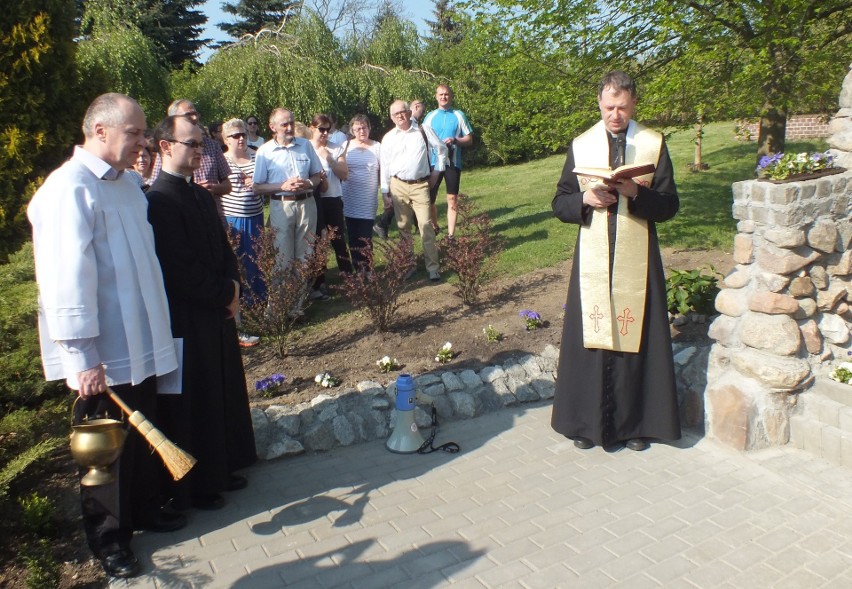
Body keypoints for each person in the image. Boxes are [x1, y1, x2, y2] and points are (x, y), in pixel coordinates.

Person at [27, 93, 183, 579]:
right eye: (134, 132)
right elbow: (64, 276)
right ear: (100, 131)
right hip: (102, 350)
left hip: (140, 340)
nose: (143, 142)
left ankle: (144, 509)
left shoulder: (128, 185)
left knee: (141, 434)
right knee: (106, 453)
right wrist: (80, 354)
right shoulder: (68, 189)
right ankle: (110, 541)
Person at [550, 70, 681, 452]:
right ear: (599, 104)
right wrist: (585, 201)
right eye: (609, 107)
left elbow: (670, 205)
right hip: (593, 254)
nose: (615, 115)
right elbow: (559, 202)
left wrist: (634, 194)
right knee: (591, 336)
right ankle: (586, 424)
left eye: (622, 108)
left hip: (636, 258)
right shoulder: (582, 144)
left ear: (634, 104)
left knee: (635, 338)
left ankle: (635, 425)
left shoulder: (653, 144)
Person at [146, 115, 257, 512]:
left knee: (220, 390)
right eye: (192, 144)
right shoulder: (158, 200)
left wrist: (233, 286)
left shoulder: (199, 194)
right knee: (196, 398)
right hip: (188, 317)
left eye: (201, 145)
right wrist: (222, 293)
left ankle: (223, 465)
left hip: (217, 309)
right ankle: (199, 484)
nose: (200, 152)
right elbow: (178, 267)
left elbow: (223, 248)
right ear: (165, 147)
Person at [380, 100, 447, 281]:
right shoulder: (389, 138)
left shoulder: (422, 130)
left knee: (426, 226)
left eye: (403, 112)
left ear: (409, 112)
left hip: (420, 186)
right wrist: (385, 191)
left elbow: (441, 149)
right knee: (403, 228)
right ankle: (408, 266)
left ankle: (433, 268)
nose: (400, 116)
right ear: (391, 117)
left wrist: (437, 172)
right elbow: (384, 166)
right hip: (398, 186)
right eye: (396, 114)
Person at [253, 108, 324, 277]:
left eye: (291, 123)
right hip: (282, 205)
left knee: (305, 257)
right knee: (282, 258)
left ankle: (298, 301)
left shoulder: (305, 145)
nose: (290, 128)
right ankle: (282, 301)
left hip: (307, 204)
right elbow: (257, 187)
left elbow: (317, 176)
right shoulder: (265, 151)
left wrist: (307, 183)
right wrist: (282, 186)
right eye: (284, 124)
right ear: (273, 127)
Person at [150, 99, 232, 218]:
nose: (194, 118)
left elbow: (228, 186)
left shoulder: (213, 146)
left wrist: (213, 188)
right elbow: (156, 186)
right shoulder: (168, 150)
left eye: (196, 113)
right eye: (188, 115)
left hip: (211, 214)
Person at [221, 118, 264, 346]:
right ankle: (242, 307)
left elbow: (266, 180)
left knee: (258, 260)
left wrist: (257, 185)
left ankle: (259, 304)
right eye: (235, 136)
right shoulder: (223, 160)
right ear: (226, 139)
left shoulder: (257, 156)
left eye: (243, 135)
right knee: (239, 262)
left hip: (255, 215)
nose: (241, 139)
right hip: (234, 218)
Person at [422, 84, 474, 238]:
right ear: (436, 96)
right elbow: (423, 139)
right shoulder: (430, 117)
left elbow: (469, 139)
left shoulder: (459, 115)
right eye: (441, 94)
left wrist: (456, 140)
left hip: (453, 162)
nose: (443, 97)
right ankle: (435, 225)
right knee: (430, 197)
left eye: (446, 94)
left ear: (450, 96)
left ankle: (451, 235)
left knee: (452, 198)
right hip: (433, 162)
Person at [310, 113, 352, 294]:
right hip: (314, 199)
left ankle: (348, 277)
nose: (325, 133)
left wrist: (329, 158)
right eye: (321, 129)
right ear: (312, 128)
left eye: (328, 130)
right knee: (317, 241)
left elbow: (344, 174)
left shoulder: (336, 148)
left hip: (333, 198)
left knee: (338, 238)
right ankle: (318, 283)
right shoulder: (306, 148)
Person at [341, 114, 381, 270]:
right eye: (357, 129)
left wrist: (385, 191)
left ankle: (368, 269)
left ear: (369, 128)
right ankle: (358, 268)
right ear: (352, 130)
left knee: (365, 236)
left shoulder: (377, 146)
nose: (361, 131)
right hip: (349, 197)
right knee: (352, 236)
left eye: (364, 127)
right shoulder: (345, 146)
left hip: (368, 198)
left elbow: (383, 172)